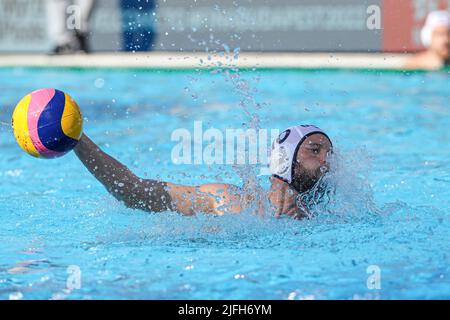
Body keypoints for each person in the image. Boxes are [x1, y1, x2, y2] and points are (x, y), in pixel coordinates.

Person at [74, 125, 333, 219]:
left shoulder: (339, 211)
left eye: (329, 153)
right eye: (314, 150)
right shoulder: (233, 203)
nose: (325, 161)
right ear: (286, 159)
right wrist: (78, 140)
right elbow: (134, 191)